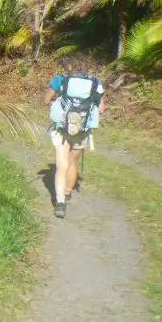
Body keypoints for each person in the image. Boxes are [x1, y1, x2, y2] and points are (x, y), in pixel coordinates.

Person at [45, 61, 105, 219]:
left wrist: (56, 107)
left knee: (62, 164)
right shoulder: (95, 82)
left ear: (67, 66)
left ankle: (60, 203)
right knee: (72, 163)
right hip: (82, 131)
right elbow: (101, 108)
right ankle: (68, 192)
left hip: (62, 130)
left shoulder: (60, 79)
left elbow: (46, 100)